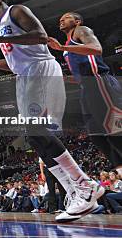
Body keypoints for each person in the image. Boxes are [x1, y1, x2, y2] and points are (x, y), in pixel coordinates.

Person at [0, 0, 103, 222]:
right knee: (35, 139)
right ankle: (73, 190)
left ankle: (85, 184)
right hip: (24, 76)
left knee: (38, 131)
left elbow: (40, 37)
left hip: (40, 70)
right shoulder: (0, 27)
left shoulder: (16, 11)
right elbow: (13, 64)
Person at [48, 12, 121, 175]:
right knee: (96, 136)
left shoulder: (81, 31)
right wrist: (66, 79)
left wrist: (62, 48)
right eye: (60, 18)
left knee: (115, 130)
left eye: (66, 17)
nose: (61, 19)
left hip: (99, 82)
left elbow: (97, 49)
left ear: (77, 21)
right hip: (86, 88)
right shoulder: (69, 43)